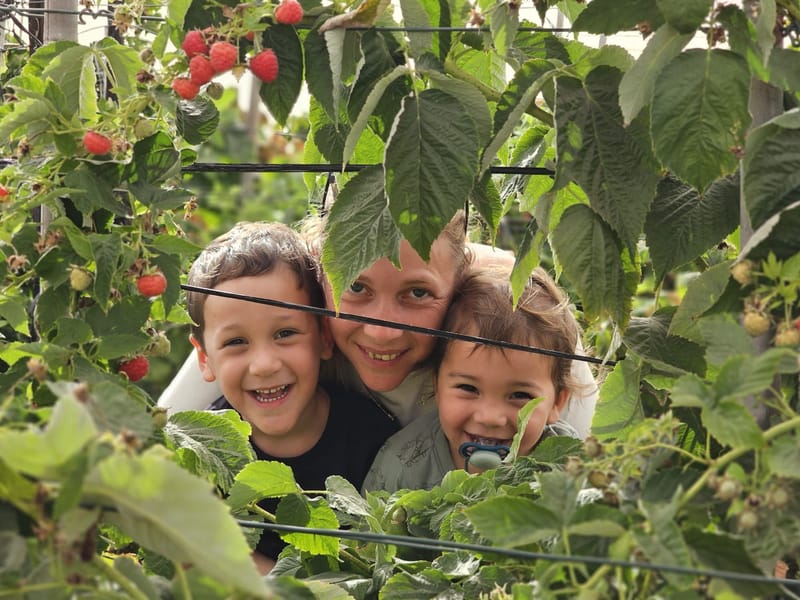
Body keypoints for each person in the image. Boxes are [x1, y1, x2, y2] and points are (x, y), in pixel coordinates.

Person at [160, 211, 598, 437]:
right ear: (320, 267)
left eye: (419, 293)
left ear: (461, 277)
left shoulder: (520, 316)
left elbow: (584, 453)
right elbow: (168, 425)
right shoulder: (288, 300)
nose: (382, 330)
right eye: (356, 286)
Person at [185, 221, 399, 574]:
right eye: (236, 342)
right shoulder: (203, 451)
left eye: (285, 333)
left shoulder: (374, 440)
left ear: (324, 338)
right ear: (205, 358)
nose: (265, 365)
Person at [361, 267, 583, 494]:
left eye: (520, 395)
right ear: (437, 385)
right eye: (468, 388)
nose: (490, 418)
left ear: (558, 402)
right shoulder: (403, 465)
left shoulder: (570, 468)